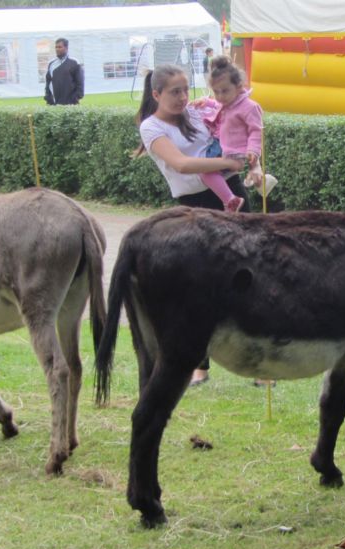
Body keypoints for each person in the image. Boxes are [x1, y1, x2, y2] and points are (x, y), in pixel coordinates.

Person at [135, 63, 252, 386]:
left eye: (186, 90)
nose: (183, 97)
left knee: (248, 276)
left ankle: (257, 362)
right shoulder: (151, 127)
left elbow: (237, 113)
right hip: (195, 205)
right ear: (156, 94)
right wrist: (227, 162)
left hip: (231, 194)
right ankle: (200, 364)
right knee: (200, 285)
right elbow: (182, 164)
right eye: (175, 92)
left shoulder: (198, 111)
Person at [200, 56, 267, 212]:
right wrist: (206, 102)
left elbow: (256, 130)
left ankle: (230, 200)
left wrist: (253, 151)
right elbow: (217, 104)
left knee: (205, 172)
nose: (220, 96)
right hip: (224, 148)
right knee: (206, 172)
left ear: (238, 86)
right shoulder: (229, 102)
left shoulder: (249, 107)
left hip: (235, 152)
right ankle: (229, 199)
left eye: (225, 91)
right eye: (216, 92)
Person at [44, 38, 84, 106]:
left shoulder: (74, 62)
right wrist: (48, 98)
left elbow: (80, 83)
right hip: (54, 103)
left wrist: (75, 98)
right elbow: (48, 82)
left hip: (71, 104)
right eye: (56, 47)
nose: (57, 49)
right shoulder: (51, 64)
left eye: (60, 47)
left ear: (66, 48)